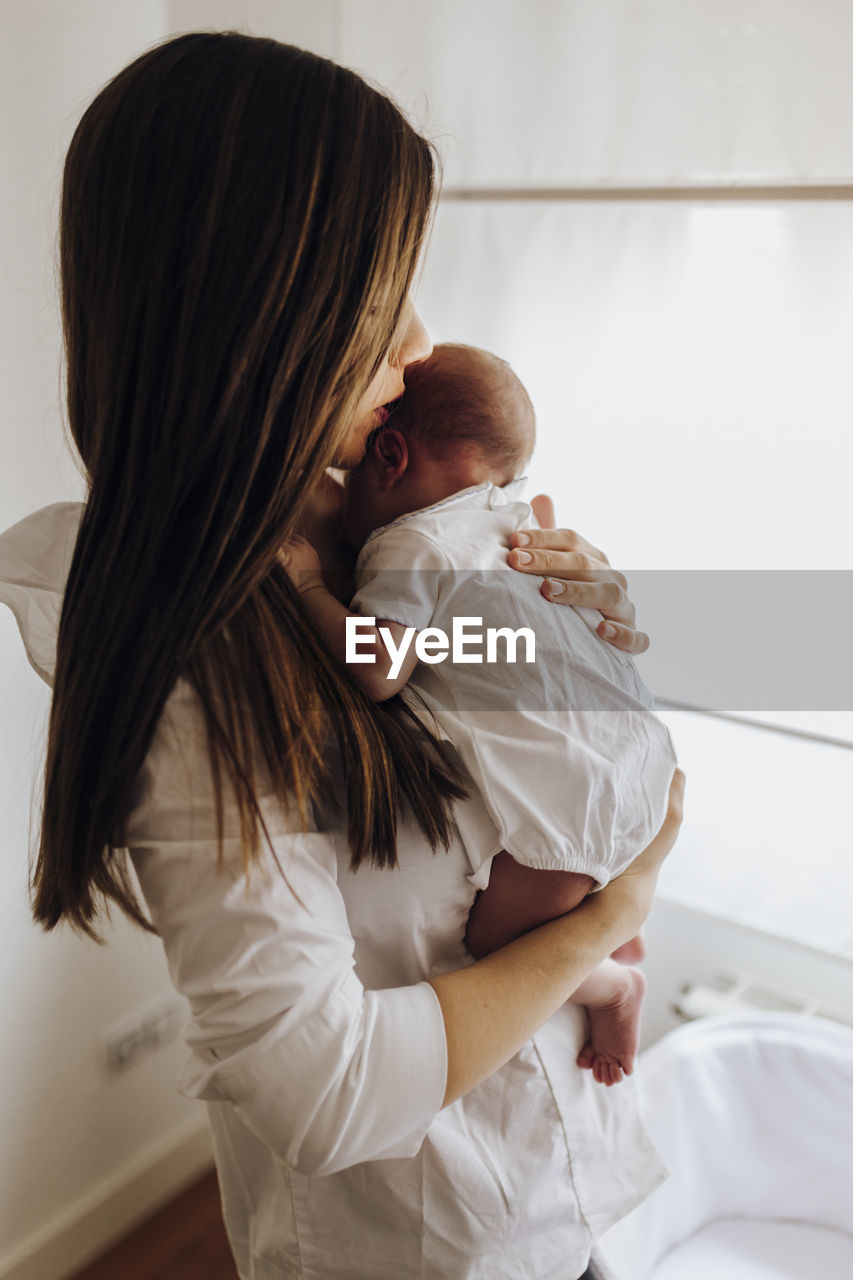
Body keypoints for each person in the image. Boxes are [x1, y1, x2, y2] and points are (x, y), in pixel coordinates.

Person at [0, 32, 685, 1280]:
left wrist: (562, 636)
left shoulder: (378, 521)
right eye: (383, 292)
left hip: (557, 1185)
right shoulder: (194, 645)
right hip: (420, 1243)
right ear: (258, 319)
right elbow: (325, 1088)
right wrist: (610, 922)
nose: (420, 337)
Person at [282, 341, 677, 1087]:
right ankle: (615, 932)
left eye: (353, 469)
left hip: (568, 807)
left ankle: (613, 986)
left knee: (504, 952)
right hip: (636, 762)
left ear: (389, 456)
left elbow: (377, 671)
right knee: (573, 901)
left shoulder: (412, 542)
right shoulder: (513, 527)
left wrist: (308, 590)